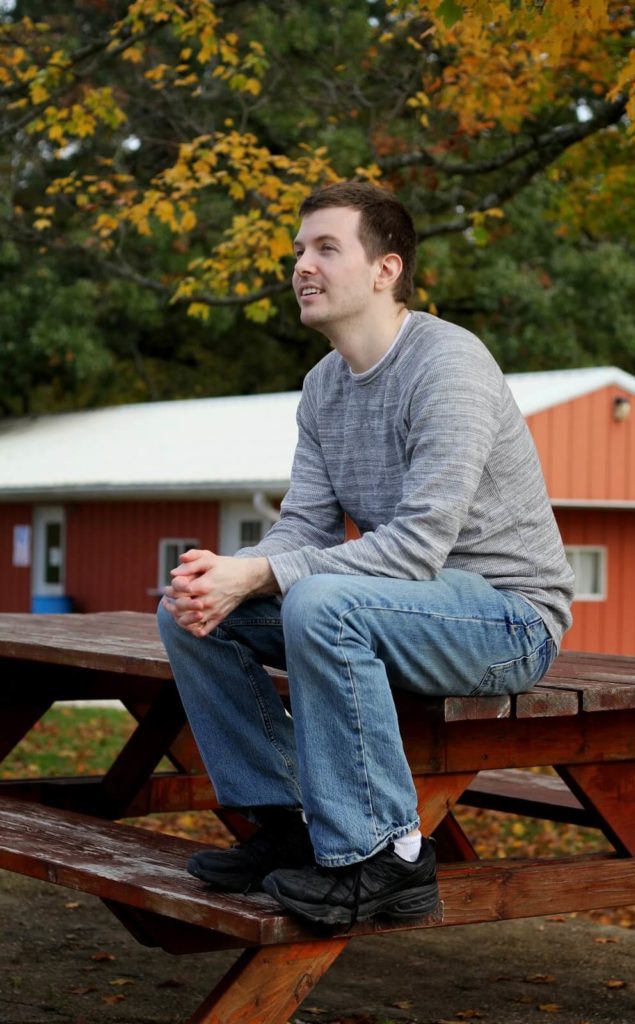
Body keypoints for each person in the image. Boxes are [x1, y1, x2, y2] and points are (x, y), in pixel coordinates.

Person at [157, 181, 574, 928]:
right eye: (296, 252)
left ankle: (389, 859)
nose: (302, 268)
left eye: (325, 248)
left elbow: (417, 547)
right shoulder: (323, 387)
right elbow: (304, 529)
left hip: (507, 619)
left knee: (318, 602)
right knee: (191, 610)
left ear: (386, 269)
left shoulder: (448, 365)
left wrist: (265, 574)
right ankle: (286, 825)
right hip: (401, 608)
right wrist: (229, 575)